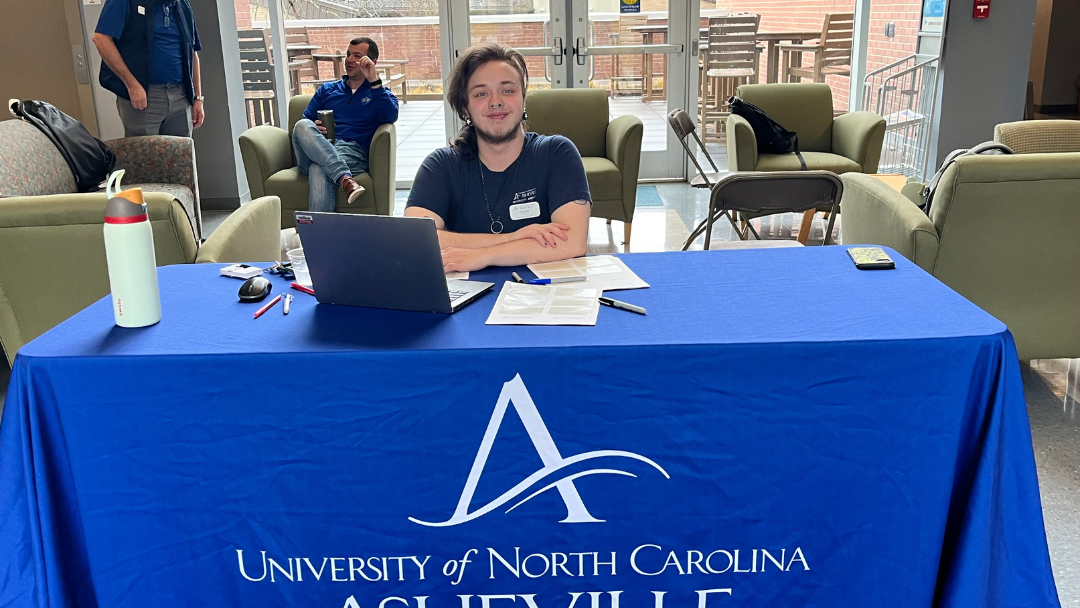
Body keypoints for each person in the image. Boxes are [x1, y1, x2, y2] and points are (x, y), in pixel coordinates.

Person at [405, 43, 592, 273]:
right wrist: (514, 238)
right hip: (465, 298)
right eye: (481, 93)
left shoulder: (556, 153)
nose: (496, 102)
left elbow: (572, 242)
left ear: (523, 98)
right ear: (465, 108)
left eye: (507, 90)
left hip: (543, 296)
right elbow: (416, 239)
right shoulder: (441, 166)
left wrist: (482, 256)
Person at [292, 37, 400, 212]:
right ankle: (345, 178)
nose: (349, 60)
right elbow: (306, 121)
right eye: (348, 54)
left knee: (318, 168)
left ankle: (320, 236)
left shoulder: (379, 93)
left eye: (357, 56)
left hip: (352, 152)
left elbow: (390, 116)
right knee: (302, 125)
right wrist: (314, 125)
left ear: (371, 62)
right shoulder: (327, 90)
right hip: (316, 149)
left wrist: (373, 81)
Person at [93, 0, 204, 137]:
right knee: (145, 156)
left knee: (180, 155)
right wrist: (132, 85)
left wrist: (197, 97)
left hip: (180, 96)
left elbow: (192, 53)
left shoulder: (182, 5)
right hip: (144, 97)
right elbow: (101, 39)